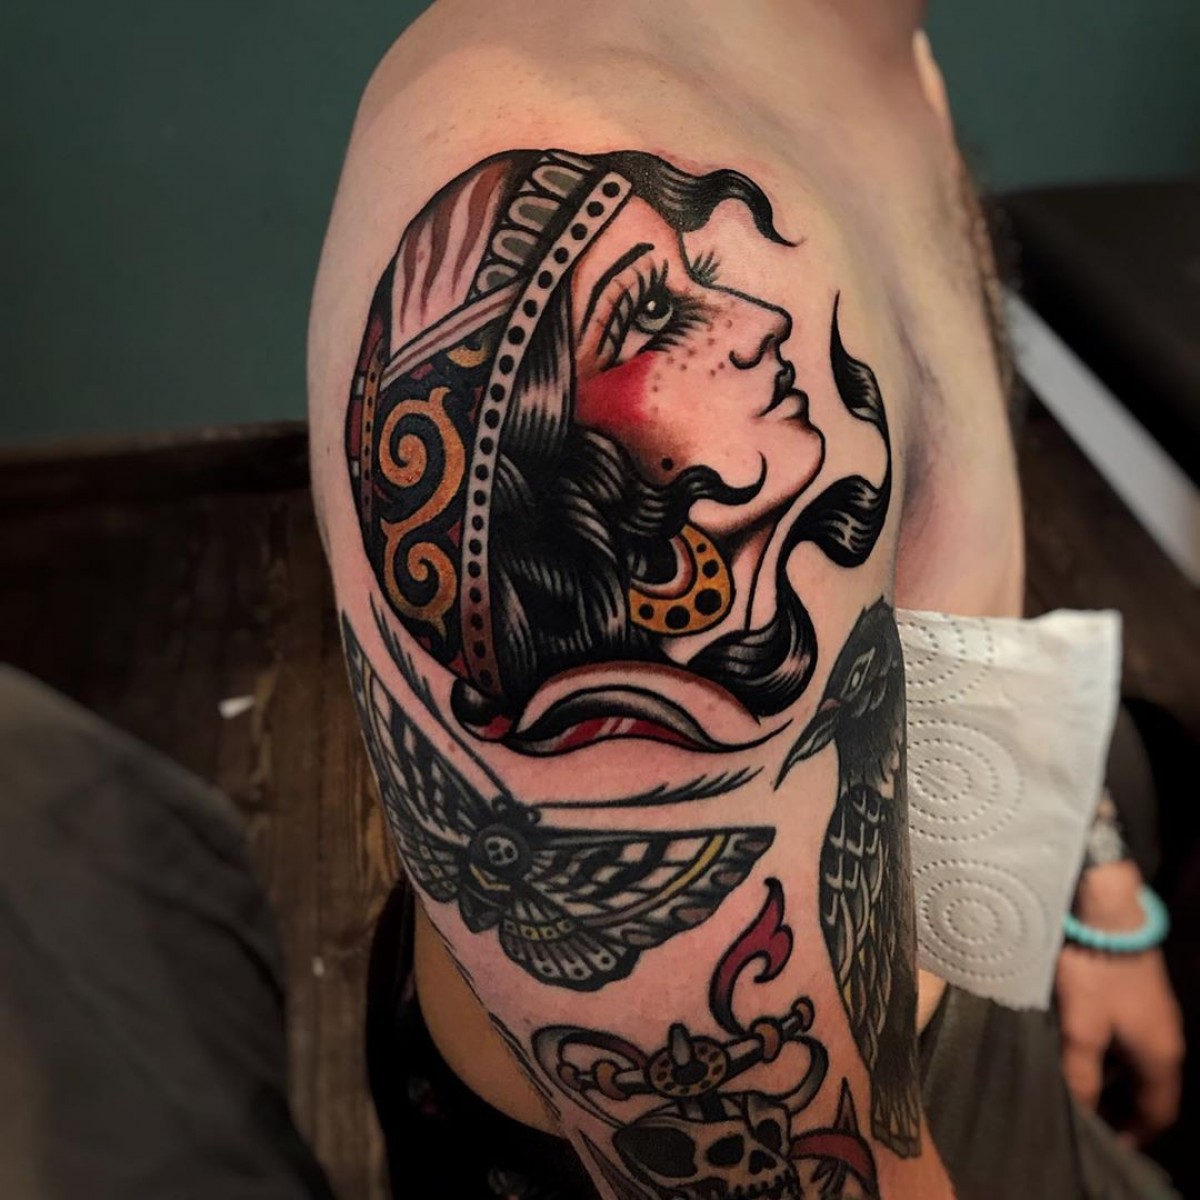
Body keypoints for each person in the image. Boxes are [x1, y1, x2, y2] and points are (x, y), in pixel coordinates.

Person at [308, 4, 1183, 1196]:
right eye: (656, 313)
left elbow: (954, 600)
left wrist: (1090, 875)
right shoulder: (538, 119)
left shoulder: (875, 40)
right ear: (540, 467)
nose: (768, 324)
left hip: (980, 955)